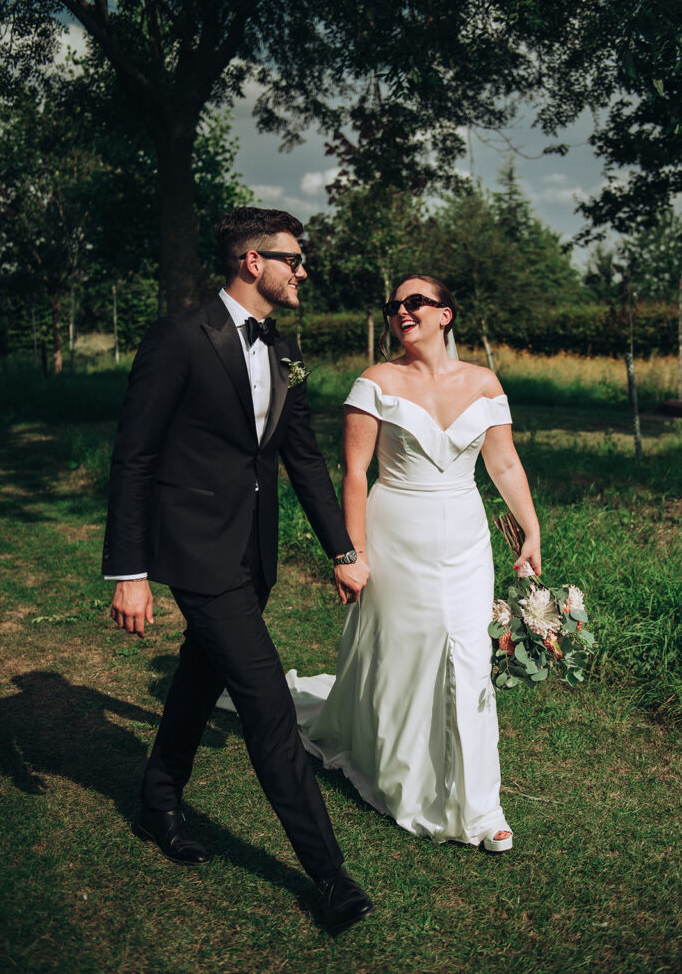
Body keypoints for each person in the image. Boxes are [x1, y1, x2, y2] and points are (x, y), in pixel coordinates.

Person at [102, 207, 374, 932]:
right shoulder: (178, 338)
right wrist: (129, 571)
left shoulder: (284, 350)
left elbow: (305, 463)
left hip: (252, 554)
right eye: (294, 257)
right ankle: (330, 876)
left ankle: (159, 797)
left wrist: (342, 551)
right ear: (253, 262)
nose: (303, 270)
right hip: (196, 550)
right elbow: (134, 457)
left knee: (199, 676)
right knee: (266, 704)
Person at [233, 274, 541, 851]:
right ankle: (402, 777)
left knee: (470, 656)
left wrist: (530, 528)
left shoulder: (483, 382)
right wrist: (352, 554)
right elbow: (354, 474)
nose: (403, 311)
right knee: (409, 651)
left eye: (416, 302)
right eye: (395, 305)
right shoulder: (376, 382)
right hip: (398, 530)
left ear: (446, 314)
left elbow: (504, 464)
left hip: (467, 536)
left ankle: (481, 807)